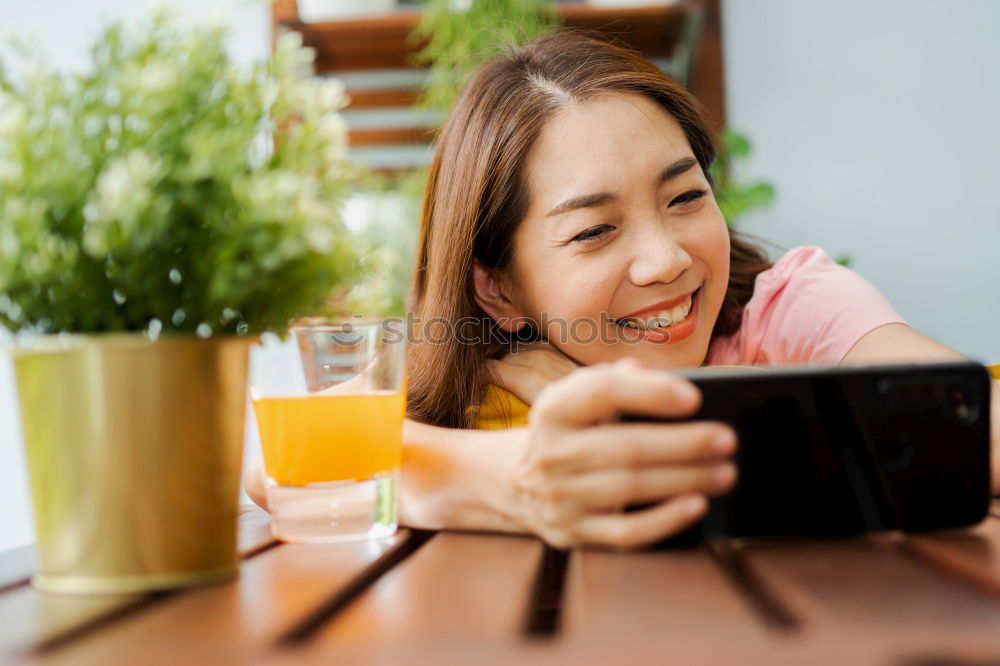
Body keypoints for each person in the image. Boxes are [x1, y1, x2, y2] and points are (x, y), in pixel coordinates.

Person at [246, 30, 1000, 549]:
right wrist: (515, 477)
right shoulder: (480, 367)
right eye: (593, 232)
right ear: (498, 290)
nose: (665, 260)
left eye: (684, 198)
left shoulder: (788, 307)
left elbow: (973, 421)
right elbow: (276, 464)